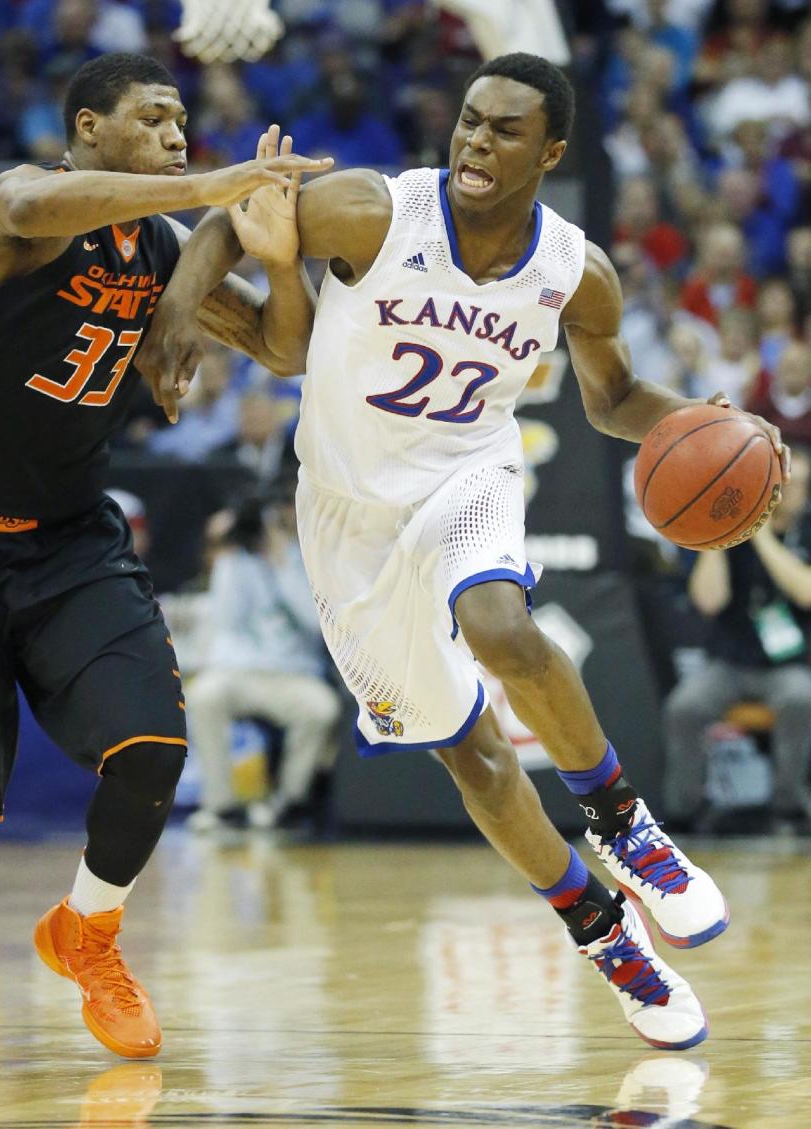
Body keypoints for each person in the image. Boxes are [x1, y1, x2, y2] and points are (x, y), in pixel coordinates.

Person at [157, 52, 791, 1050]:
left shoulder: (576, 272)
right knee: (475, 755)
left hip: (470, 472)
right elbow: (225, 227)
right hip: (346, 515)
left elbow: (615, 399)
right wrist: (173, 312)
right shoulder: (372, 209)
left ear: (553, 150)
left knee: (499, 624)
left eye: (503, 129)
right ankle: (604, 932)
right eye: (469, 121)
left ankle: (623, 820)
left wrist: (726, 428)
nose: (476, 143)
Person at [0, 51, 331, 1058]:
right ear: (86, 129)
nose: (174, 132)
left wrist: (276, 251)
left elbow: (285, 351)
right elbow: (34, 209)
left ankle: (89, 930)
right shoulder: (17, 207)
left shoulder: (161, 249)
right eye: (152, 116)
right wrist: (215, 186)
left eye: (181, 121)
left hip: (70, 539)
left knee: (154, 748)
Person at [664, 448, 811, 832]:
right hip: (728, 663)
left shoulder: (805, 532)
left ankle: (788, 809)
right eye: (785, 486)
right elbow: (709, 601)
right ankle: (685, 811)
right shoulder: (734, 530)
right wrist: (722, 538)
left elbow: (805, 592)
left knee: (800, 700)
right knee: (685, 706)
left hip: (787, 666)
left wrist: (762, 538)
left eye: (800, 487)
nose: (791, 494)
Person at [186, 492, 340, 833]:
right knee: (204, 696)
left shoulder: (307, 559)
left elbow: (314, 623)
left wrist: (282, 560)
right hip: (238, 672)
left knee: (321, 709)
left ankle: (287, 801)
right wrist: (228, 561)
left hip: (291, 675)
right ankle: (220, 805)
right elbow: (227, 618)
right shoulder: (233, 562)